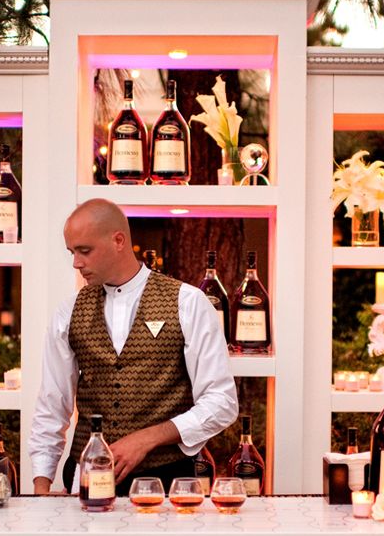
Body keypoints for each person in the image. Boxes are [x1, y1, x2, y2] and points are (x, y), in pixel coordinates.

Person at [29, 198, 239, 495]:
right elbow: (52, 405)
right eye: (72, 252)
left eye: (84, 251)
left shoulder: (187, 303)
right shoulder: (69, 312)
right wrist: (41, 487)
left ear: (118, 240)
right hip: (84, 484)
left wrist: (148, 438)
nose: (76, 262)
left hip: (167, 485)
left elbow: (222, 403)